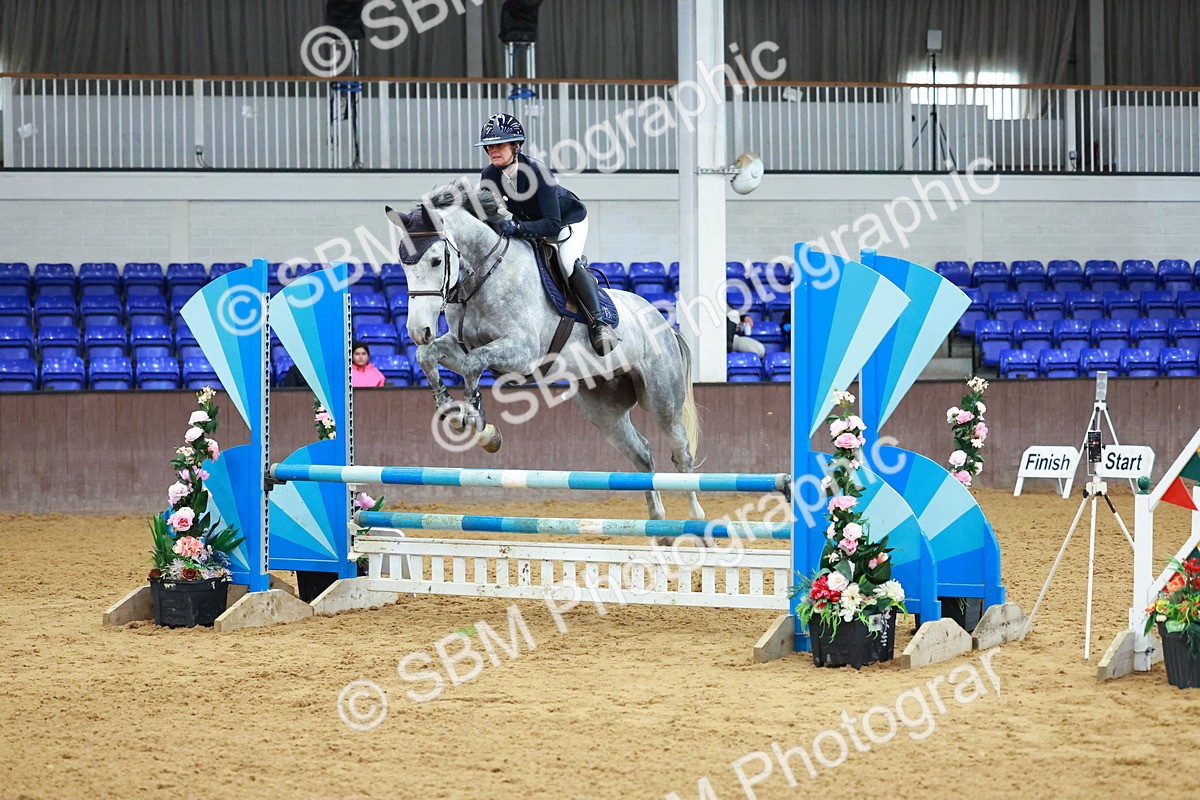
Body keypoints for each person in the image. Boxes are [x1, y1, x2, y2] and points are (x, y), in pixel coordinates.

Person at [474, 113, 617, 356]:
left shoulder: (537, 172)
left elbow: (552, 224)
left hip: (566, 223)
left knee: (567, 262)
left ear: (516, 146)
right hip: (529, 224)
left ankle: (598, 324)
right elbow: (484, 214)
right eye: (489, 147)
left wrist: (517, 228)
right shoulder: (489, 175)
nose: (492, 151)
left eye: (499, 145)